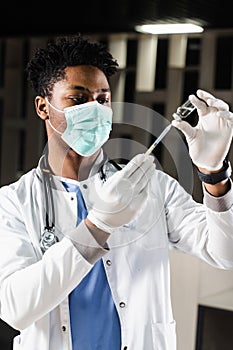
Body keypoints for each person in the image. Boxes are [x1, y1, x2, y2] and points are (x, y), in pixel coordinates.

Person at [0, 34, 233, 350]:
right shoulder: (12, 202)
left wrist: (214, 173)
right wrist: (97, 227)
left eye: (103, 99)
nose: (95, 109)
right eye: (78, 98)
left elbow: (225, 253)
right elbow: (16, 309)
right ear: (43, 106)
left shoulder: (153, 187)